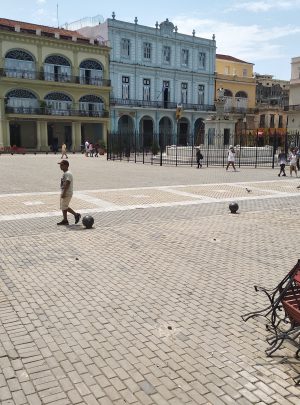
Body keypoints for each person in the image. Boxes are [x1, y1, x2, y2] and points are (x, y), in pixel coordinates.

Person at [57, 160, 81, 226]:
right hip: (64, 192)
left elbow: (67, 183)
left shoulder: (68, 173)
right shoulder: (65, 173)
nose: (60, 166)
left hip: (67, 193)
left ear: (66, 166)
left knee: (64, 206)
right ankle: (65, 220)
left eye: (62, 165)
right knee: (63, 206)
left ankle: (76, 215)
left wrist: (64, 193)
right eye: (60, 165)